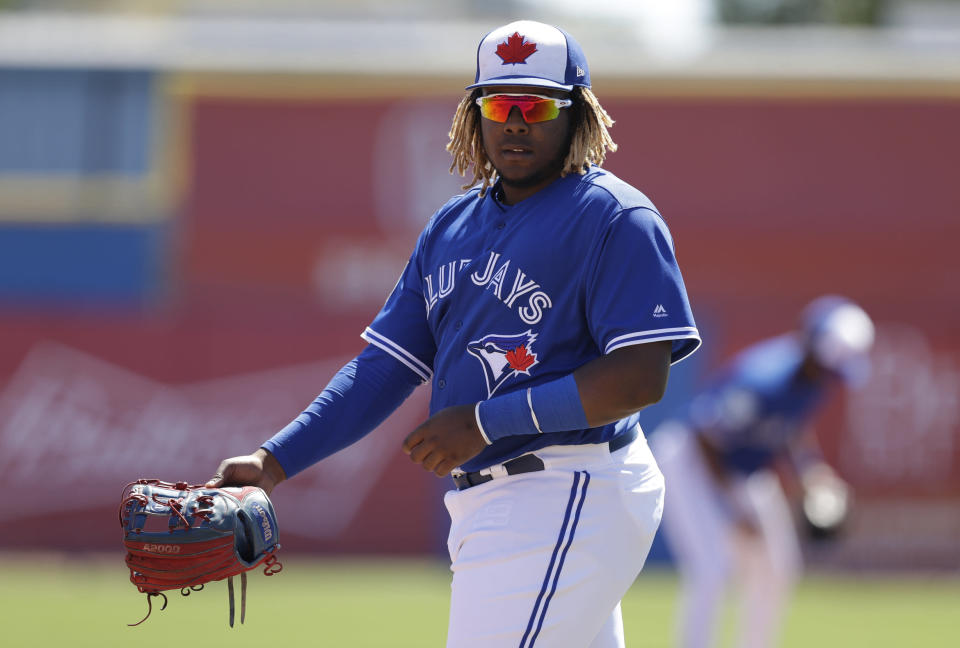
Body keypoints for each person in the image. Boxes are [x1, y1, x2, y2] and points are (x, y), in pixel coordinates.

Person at [207, 20, 701, 647]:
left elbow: (639, 378)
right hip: (488, 503)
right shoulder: (452, 224)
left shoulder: (615, 217)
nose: (515, 121)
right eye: (498, 103)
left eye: (537, 105)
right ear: (475, 115)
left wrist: (484, 422)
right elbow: (385, 367)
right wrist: (274, 461)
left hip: (570, 485)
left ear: (577, 117)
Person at [649, 295, 875, 648]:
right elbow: (709, 440)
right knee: (711, 568)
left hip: (738, 467)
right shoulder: (763, 379)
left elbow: (789, 428)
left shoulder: (812, 378)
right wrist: (732, 512)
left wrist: (811, 475)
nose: (831, 377)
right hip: (692, 460)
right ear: (813, 349)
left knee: (778, 565)